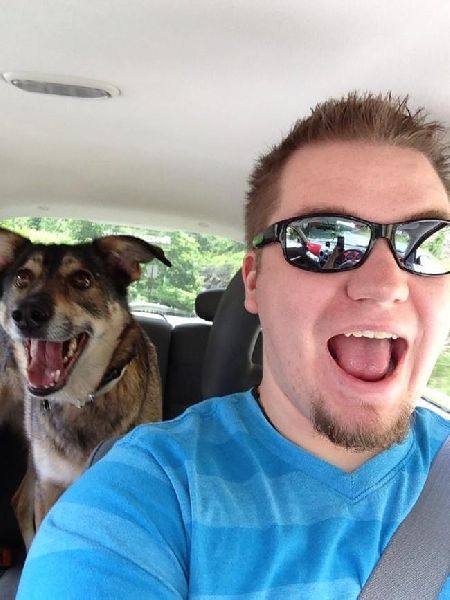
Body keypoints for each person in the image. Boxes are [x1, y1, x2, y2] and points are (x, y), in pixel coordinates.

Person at [17, 92, 450, 599]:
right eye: (324, 241)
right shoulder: (139, 494)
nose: (385, 284)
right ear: (254, 281)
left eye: (428, 240)